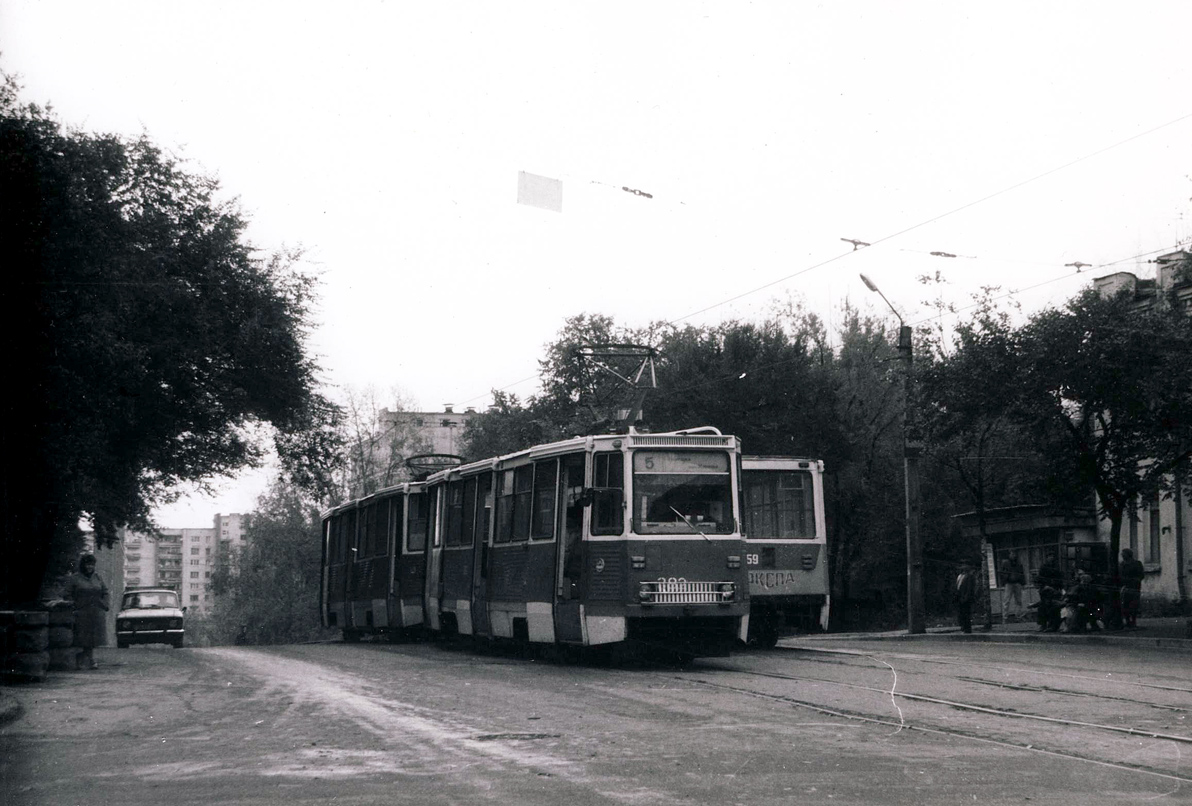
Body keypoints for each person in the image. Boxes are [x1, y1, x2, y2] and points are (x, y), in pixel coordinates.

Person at [67, 553, 109, 670]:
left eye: (92, 565)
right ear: (82, 565)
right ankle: (82, 660)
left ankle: (90, 659)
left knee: (93, 638)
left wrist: (105, 604)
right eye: (87, 564)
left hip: (96, 611)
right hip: (81, 611)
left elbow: (105, 592)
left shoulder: (97, 577)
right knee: (81, 637)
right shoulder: (75, 578)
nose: (89, 567)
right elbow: (67, 593)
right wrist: (73, 606)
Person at [1034, 552, 1063, 632]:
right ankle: (1043, 625)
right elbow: (1040, 578)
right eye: (1050, 556)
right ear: (1047, 557)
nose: (1051, 558)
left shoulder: (1056, 566)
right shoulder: (1043, 567)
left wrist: (1058, 588)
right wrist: (1044, 586)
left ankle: (1052, 625)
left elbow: (1059, 578)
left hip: (1054, 589)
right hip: (1046, 589)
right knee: (1043, 606)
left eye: (1052, 556)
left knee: (1053, 606)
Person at [1119, 548, 1145, 629]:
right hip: (1126, 587)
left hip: (1134, 587)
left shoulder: (1136, 563)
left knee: (1134, 605)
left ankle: (1133, 621)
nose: (1122, 555)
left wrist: (1135, 580)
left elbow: (1141, 575)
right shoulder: (1122, 564)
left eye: (1124, 554)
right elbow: (1120, 575)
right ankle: (1127, 621)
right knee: (1125, 605)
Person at [999, 552, 1026, 623]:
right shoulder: (1006, 563)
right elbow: (1002, 573)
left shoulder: (1018, 563)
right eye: (1012, 554)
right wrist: (1003, 583)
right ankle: (1005, 617)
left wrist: (1023, 583)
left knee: (1018, 601)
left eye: (1014, 554)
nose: (1013, 555)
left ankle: (1018, 616)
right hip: (1009, 583)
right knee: (1006, 600)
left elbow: (1021, 573)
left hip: (1017, 582)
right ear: (1009, 555)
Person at [954, 558, 978, 634]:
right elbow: (958, 586)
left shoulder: (970, 576)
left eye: (965, 565)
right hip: (959, 597)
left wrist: (966, 597)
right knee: (961, 613)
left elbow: (969, 588)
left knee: (966, 613)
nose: (963, 567)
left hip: (966, 598)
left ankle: (967, 628)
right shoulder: (960, 576)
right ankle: (963, 627)